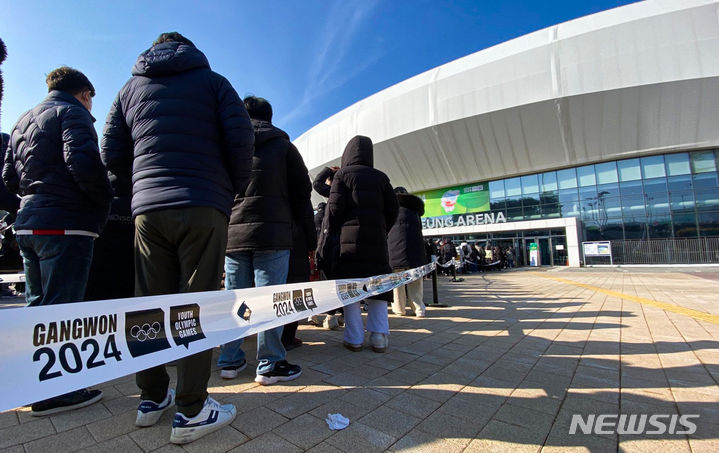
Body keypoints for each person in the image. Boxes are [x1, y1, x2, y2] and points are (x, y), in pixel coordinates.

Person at [101, 32, 254, 444]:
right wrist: (232, 191)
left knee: (147, 304)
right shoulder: (215, 82)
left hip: (149, 209)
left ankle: (151, 398)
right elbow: (242, 140)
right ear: (190, 50)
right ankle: (191, 409)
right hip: (204, 204)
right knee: (196, 304)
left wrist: (136, 189)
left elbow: (111, 151)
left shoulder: (128, 89)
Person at [3, 66, 112, 415]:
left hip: (28, 224)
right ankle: (56, 391)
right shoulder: (74, 113)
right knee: (64, 310)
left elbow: (7, 176)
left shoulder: (22, 120)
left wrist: (30, 202)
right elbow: (83, 164)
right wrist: (102, 202)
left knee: (36, 306)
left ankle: (32, 379)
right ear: (85, 94)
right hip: (65, 223)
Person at [217, 96, 307, 385]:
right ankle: (269, 364)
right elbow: (301, 193)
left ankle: (229, 361)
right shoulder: (284, 147)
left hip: (234, 235)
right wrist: (308, 234)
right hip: (274, 233)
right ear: (270, 116)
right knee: (270, 300)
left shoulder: (229, 145)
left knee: (236, 299)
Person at [326, 135, 398, 352]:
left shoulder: (342, 176)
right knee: (378, 288)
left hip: (349, 245)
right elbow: (393, 209)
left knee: (352, 290)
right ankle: (379, 337)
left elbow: (334, 209)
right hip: (377, 243)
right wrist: (381, 228)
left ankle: (355, 338)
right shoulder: (382, 178)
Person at [388, 187, 426, 317]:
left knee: (397, 283)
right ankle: (419, 309)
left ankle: (399, 309)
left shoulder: (389, 209)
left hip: (395, 252)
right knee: (415, 281)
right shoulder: (415, 211)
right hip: (415, 252)